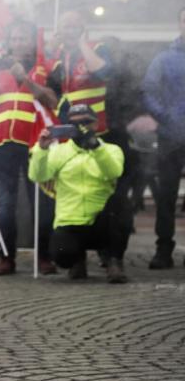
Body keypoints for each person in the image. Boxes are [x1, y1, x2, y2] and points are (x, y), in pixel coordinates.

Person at [48, 12, 132, 280]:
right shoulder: (61, 60)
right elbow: (53, 95)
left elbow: (104, 71)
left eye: (74, 27)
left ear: (84, 29)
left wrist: (83, 44)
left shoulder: (97, 49)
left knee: (113, 198)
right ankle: (76, 257)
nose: (69, 32)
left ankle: (113, 259)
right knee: (73, 193)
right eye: (64, 27)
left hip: (102, 134)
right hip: (72, 138)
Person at [0, 20, 58, 276]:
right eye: (14, 39)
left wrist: (24, 78)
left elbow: (52, 99)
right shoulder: (0, 69)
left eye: (23, 39)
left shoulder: (44, 67)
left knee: (41, 200)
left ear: (32, 41)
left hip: (36, 141)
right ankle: (6, 256)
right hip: (2, 140)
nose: (18, 43)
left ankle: (44, 256)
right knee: (6, 202)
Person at [29, 104, 125, 282]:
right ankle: (77, 260)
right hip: (70, 221)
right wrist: (41, 150)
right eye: (75, 124)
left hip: (101, 220)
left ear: (96, 124)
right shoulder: (59, 151)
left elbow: (114, 172)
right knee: (61, 255)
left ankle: (114, 261)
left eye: (86, 122)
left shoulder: (111, 150)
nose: (82, 127)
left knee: (122, 204)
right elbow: (37, 175)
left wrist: (95, 147)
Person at [143, 6, 185, 269]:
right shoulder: (163, 59)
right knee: (166, 195)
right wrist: (164, 116)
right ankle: (163, 248)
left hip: (171, 131)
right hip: (170, 136)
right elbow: (148, 91)